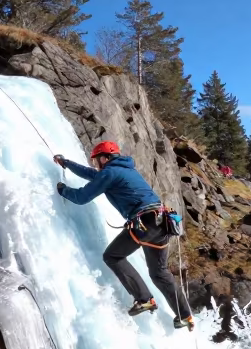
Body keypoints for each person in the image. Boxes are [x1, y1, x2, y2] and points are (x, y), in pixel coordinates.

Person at [54, 141, 194, 330]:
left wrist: (62, 190)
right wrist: (67, 163)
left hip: (146, 223)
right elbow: (93, 175)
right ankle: (185, 315)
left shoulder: (110, 173)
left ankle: (144, 299)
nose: (96, 163)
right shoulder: (124, 170)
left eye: (97, 160)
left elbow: (81, 197)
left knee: (112, 256)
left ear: (105, 158)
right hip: (162, 224)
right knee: (159, 272)